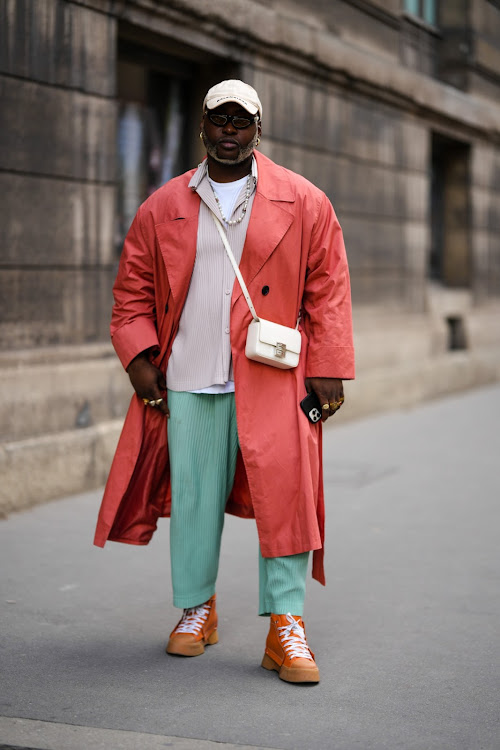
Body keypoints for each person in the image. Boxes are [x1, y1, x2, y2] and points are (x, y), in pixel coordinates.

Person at [94, 80, 355, 684]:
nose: (231, 131)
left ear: (259, 129)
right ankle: (196, 608)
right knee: (193, 500)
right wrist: (138, 358)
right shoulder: (162, 205)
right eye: (220, 121)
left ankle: (285, 626)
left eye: (243, 121)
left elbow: (329, 289)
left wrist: (329, 367)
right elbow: (130, 294)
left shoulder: (305, 201)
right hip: (189, 378)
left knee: (288, 495)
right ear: (202, 128)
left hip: (276, 379)